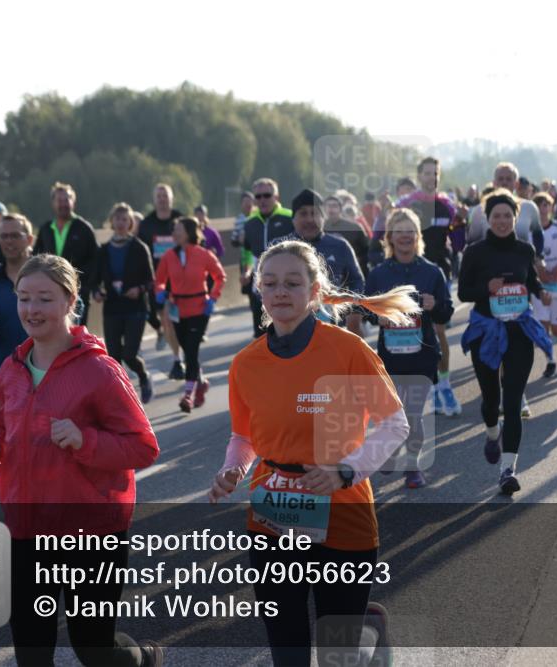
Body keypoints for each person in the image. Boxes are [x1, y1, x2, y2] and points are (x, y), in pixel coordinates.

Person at [208, 239, 413, 667]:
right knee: (288, 647)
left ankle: (367, 631)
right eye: (271, 283)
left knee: (338, 654)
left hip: (342, 510)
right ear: (259, 292)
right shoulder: (246, 363)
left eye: (292, 283)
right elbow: (244, 436)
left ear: (314, 290)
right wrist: (232, 469)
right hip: (273, 513)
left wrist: (345, 470)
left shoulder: (348, 350)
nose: (281, 292)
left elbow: (395, 424)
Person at [0, 254, 162, 667]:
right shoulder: (11, 369)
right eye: (23, 299)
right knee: (31, 648)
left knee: (93, 647)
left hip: (90, 533)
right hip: (26, 528)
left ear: (70, 299)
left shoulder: (100, 371)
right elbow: (7, 434)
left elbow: (144, 446)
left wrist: (84, 439)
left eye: (43, 298)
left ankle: (142, 659)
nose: (31, 310)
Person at [458, 190, 553, 495]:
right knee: (491, 401)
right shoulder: (475, 252)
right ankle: (490, 432)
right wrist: (486, 287)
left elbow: (531, 280)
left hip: (518, 332)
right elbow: (463, 293)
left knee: (512, 402)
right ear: (487, 219)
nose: (501, 221)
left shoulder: (525, 250)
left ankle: (507, 470)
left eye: (507, 215)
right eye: (496, 216)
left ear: (515, 217)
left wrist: (540, 293)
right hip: (486, 331)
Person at [366, 208, 453, 488]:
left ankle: (413, 465)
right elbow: (365, 308)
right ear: (390, 237)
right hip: (390, 357)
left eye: (410, 231)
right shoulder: (379, 274)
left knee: (413, 412)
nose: (405, 237)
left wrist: (434, 305)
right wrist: (375, 315)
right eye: (399, 231)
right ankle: (391, 449)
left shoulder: (431, 272)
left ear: (417, 237)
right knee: (391, 412)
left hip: (423, 355)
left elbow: (446, 313)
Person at [397, 157, 462, 416]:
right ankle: (428, 385)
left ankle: (443, 385)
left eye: (435, 174)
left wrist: (462, 224)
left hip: (439, 274)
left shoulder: (447, 207)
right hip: (411, 275)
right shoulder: (407, 205)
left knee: (439, 331)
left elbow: (458, 244)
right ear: (419, 176)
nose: (431, 178)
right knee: (415, 333)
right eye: (426, 173)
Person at [155, 216, 226, 412]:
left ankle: (187, 395)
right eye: (173, 230)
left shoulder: (203, 254)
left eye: (178, 230)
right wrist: (160, 292)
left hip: (200, 308)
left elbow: (220, 276)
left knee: (192, 350)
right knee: (187, 350)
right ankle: (201, 383)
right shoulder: (169, 256)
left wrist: (213, 298)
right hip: (178, 309)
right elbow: (159, 280)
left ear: (189, 232)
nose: (174, 233)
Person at [90, 203, 156, 404]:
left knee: (129, 354)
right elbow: (94, 280)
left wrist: (139, 289)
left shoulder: (139, 248)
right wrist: (96, 292)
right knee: (114, 357)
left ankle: (143, 376)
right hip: (112, 308)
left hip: (135, 308)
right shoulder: (103, 250)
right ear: (112, 222)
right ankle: (122, 397)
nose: (120, 223)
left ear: (130, 223)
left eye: (124, 219)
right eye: (117, 219)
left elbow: (151, 281)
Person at [275, 188, 365, 334]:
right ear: (294, 218)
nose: (310, 219)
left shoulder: (340, 245)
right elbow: (264, 286)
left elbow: (357, 281)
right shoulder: (279, 248)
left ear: (323, 217)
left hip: (335, 328)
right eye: (303, 213)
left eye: (315, 213)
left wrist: (352, 310)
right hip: (291, 330)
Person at [33, 182, 99, 326]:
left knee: (75, 335)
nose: (63, 204)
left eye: (67, 199)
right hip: (49, 293)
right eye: (60, 200)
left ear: (73, 202)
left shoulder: (84, 228)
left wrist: (90, 285)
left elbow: (96, 259)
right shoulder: (45, 229)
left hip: (78, 293)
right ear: (53, 203)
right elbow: (36, 258)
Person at [241, 178, 294, 338]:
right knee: (261, 330)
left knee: (286, 327)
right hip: (260, 282)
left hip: (286, 281)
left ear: (276, 197)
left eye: (266, 195)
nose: (262, 200)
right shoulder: (250, 223)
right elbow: (247, 252)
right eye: (258, 197)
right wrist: (246, 270)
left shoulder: (290, 218)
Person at [138, 184, 184, 360]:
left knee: (180, 321)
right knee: (166, 318)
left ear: (171, 198)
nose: (162, 199)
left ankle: (183, 353)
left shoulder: (180, 219)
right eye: (159, 196)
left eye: (165, 196)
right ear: (154, 200)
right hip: (159, 279)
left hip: (181, 278)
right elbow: (141, 252)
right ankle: (177, 358)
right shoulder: (147, 224)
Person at [531, 193, 557, 377]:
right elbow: (529, 257)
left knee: (556, 328)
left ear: (551, 206)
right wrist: (539, 271)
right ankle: (550, 360)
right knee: (543, 325)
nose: (542, 208)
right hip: (540, 284)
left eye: (545, 204)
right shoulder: (530, 232)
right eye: (538, 204)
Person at [0, 214, 34, 373]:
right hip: (8, 371)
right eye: (4, 236)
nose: (9, 241)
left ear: (29, 239)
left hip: (49, 369)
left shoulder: (48, 274)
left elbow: (76, 304)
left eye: (15, 235)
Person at [324, 196, 371, 279]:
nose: (331, 209)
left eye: (334, 206)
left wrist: (358, 261)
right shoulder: (317, 229)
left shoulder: (354, 228)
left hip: (352, 272)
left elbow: (367, 250)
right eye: (328, 206)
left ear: (340, 209)